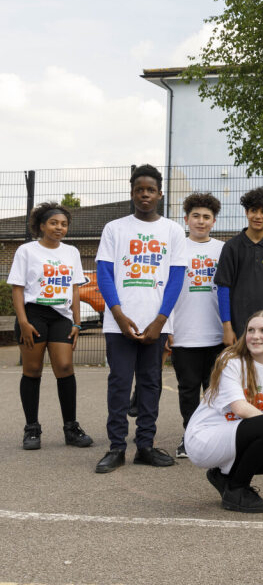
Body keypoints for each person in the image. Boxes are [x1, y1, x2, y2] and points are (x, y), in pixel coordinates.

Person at [94, 164, 187, 473]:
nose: (144, 194)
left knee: (150, 383)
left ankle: (145, 445)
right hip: (119, 322)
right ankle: (117, 447)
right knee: (119, 383)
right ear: (132, 193)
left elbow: (176, 278)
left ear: (159, 194)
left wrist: (161, 320)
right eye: (139, 189)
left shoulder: (173, 230)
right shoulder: (115, 228)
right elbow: (104, 274)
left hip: (155, 322)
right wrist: (118, 314)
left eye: (150, 189)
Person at [184, 310, 263, 513]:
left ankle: (224, 477)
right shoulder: (231, 360)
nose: (255, 336)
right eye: (251, 330)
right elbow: (239, 408)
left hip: (235, 436)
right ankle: (237, 490)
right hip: (206, 437)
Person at [8, 202, 91, 450]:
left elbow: (75, 289)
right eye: (54, 223)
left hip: (61, 316)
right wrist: (23, 322)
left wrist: (77, 322)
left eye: (64, 224)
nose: (59, 227)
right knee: (32, 370)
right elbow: (17, 288)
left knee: (65, 367)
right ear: (42, 225)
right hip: (34, 314)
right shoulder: (26, 251)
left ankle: (71, 428)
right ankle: (32, 428)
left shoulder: (71, 252)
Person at [169, 193, 226, 459]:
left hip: (216, 333)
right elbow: (165, 290)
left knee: (214, 390)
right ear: (186, 219)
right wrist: (167, 327)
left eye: (206, 217)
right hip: (184, 333)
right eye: (195, 216)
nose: (200, 222)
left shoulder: (223, 249)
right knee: (188, 389)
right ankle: (189, 435)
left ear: (214, 221)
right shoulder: (176, 247)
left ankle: (211, 435)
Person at [214, 187, 263, 346]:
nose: (258, 216)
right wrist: (227, 327)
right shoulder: (231, 247)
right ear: (246, 212)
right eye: (254, 210)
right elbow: (223, 288)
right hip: (240, 328)